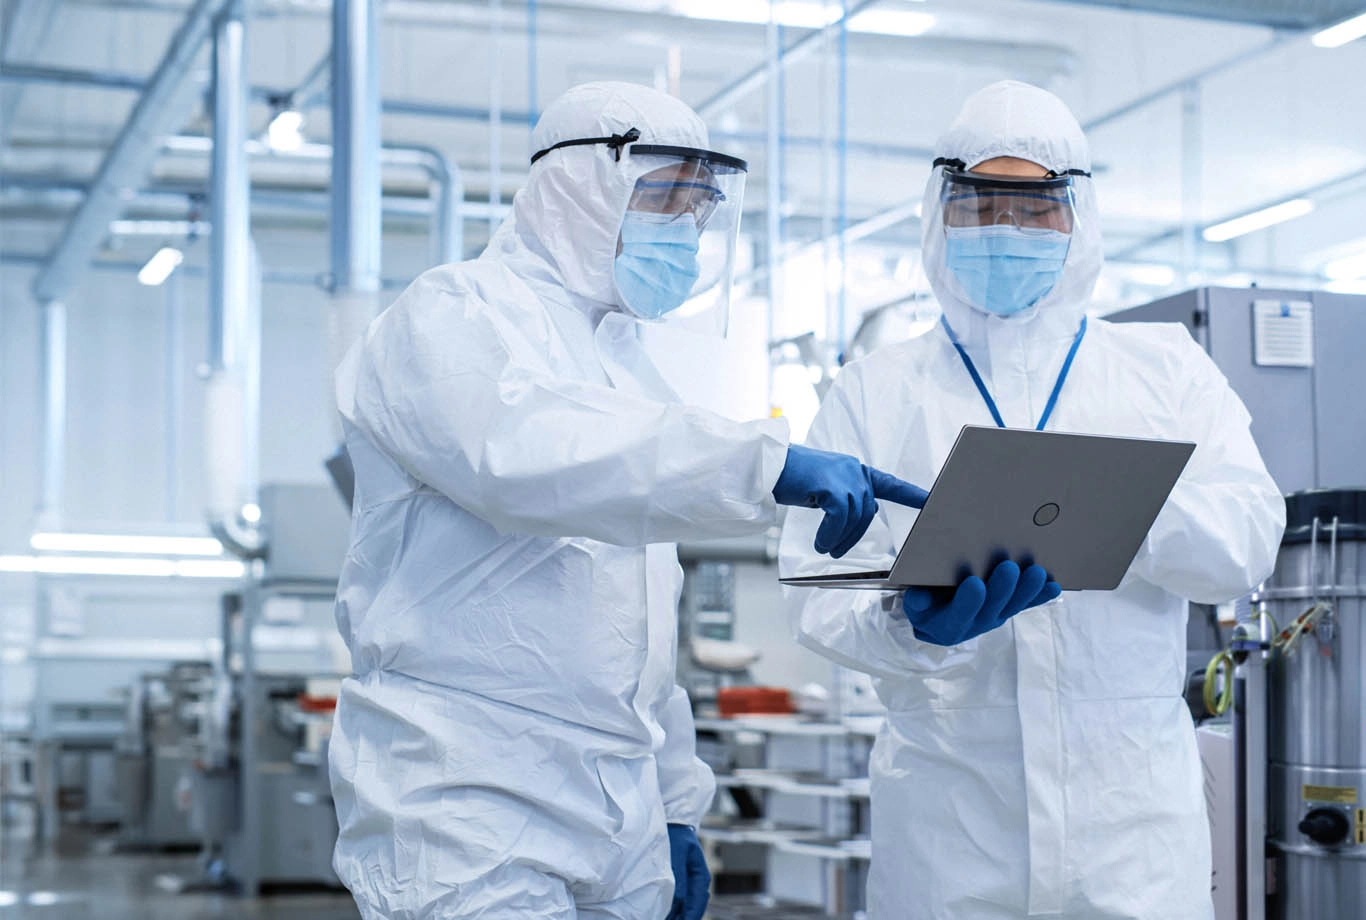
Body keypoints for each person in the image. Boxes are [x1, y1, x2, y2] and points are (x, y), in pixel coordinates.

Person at [328, 81, 925, 920]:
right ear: (575, 184)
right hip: (467, 790)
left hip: (620, 807)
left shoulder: (630, 368)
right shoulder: (450, 313)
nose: (683, 227)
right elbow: (522, 452)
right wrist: (766, 462)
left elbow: (634, 631)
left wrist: (676, 802)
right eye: (663, 196)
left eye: (699, 207)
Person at [779, 80, 1286, 919]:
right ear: (940, 212)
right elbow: (809, 586)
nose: (1005, 230)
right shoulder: (875, 391)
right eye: (981, 204)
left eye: (1035, 206)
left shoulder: (1165, 373)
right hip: (951, 837)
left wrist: (1127, 507)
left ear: (1078, 216)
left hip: (1131, 840)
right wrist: (908, 624)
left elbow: (1248, 541)